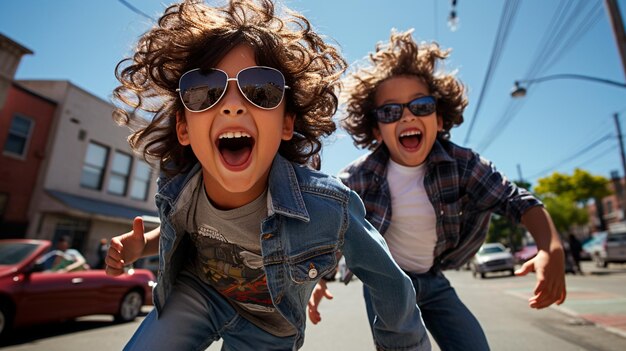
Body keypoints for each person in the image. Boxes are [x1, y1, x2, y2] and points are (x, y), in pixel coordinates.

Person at [105, 2, 430, 350]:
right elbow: (184, 225)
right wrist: (144, 246)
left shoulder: (326, 207)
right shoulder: (181, 182)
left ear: (286, 123)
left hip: (269, 326)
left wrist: (404, 345)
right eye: (204, 92)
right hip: (198, 293)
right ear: (183, 128)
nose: (233, 105)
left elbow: (388, 280)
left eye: (261, 90)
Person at [308, 29, 567, 351]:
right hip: (387, 282)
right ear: (377, 130)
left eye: (421, 106)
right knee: (405, 345)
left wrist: (551, 248)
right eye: (391, 112)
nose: (407, 116)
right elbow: (329, 232)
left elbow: (516, 201)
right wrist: (318, 278)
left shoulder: (464, 165)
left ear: (440, 119)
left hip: (433, 279)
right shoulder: (357, 178)